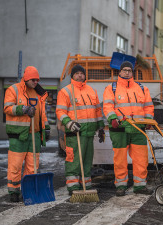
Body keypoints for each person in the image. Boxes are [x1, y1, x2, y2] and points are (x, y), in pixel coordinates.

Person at [103, 61, 154, 196]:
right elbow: (107, 106)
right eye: (124, 70)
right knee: (120, 159)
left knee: (141, 158)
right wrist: (112, 118)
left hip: (138, 129)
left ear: (132, 73)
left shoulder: (142, 88)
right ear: (119, 72)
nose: (127, 72)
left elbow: (148, 106)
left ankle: (140, 185)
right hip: (119, 129)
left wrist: (148, 120)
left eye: (129, 70)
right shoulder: (111, 88)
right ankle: (121, 185)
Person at [56, 64, 105, 196]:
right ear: (72, 75)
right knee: (74, 160)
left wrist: (100, 127)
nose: (79, 75)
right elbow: (60, 111)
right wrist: (69, 122)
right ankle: (73, 186)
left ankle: (86, 184)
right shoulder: (66, 91)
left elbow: (97, 110)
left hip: (89, 133)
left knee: (87, 160)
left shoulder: (91, 90)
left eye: (82, 73)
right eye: (77, 73)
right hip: (75, 133)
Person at [4, 66, 50, 202]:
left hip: (35, 135)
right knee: (16, 165)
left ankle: (27, 191)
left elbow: (42, 114)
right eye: (33, 80)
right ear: (26, 78)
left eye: (37, 80)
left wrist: (46, 128)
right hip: (18, 134)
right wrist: (22, 109)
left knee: (32, 166)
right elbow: (7, 108)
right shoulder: (14, 90)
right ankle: (13, 191)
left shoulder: (39, 93)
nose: (36, 82)